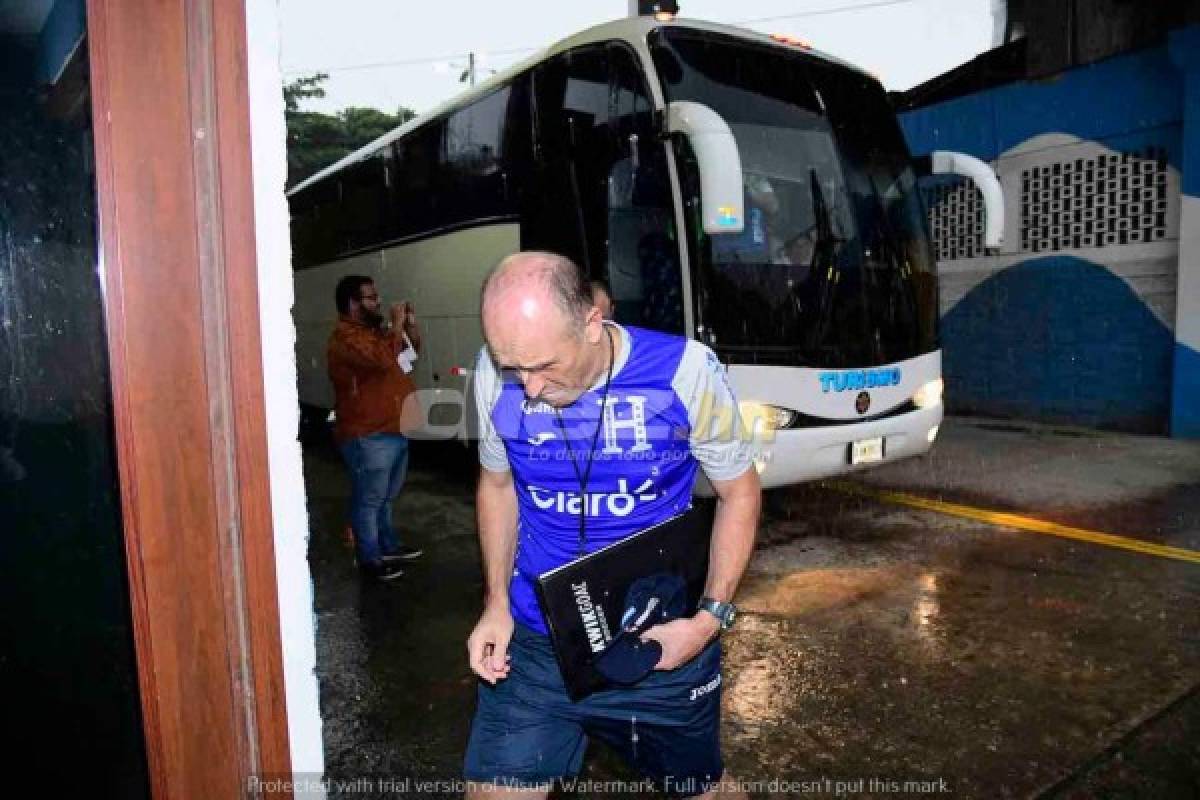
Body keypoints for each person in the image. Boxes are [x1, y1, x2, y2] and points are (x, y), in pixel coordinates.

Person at [464, 251, 761, 798]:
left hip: (657, 641)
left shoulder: (687, 371)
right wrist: (496, 605)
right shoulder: (492, 373)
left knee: (703, 790)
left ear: (592, 324)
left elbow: (739, 493)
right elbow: (498, 485)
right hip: (535, 643)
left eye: (544, 365)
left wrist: (707, 621)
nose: (527, 387)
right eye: (513, 366)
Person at [327, 275, 425, 582]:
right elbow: (381, 360)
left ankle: (388, 546)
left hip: (392, 429)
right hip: (367, 434)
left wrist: (410, 328)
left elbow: (407, 358)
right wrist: (395, 327)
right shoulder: (344, 339)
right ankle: (369, 559)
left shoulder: (376, 335)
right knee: (369, 499)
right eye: (371, 298)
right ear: (354, 303)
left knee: (385, 496)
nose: (378, 302)